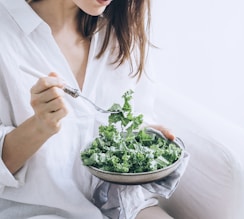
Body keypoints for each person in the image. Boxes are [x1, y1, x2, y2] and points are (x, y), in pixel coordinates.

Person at [0, 0, 188, 218]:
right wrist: (39, 127)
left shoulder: (122, 27)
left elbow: (137, 113)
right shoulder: (7, 33)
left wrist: (142, 137)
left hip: (123, 206)